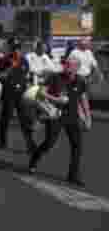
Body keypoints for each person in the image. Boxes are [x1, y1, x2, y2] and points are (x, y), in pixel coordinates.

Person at [28, 57, 90, 187]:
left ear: (76, 68)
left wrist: (87, 117)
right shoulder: (55, 77)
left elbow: (83, 99)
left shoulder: (81, 81)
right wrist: (56, 99)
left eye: (70, 65)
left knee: (77, 145)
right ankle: (35, 158)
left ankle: (73, 175)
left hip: (72, 117)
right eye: (66, 65)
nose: (66, 67)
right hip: (55, 114)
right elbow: (41, 92)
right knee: (50, 142)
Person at [0, 43, 36, 154]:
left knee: (25, 120)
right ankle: (3, 142)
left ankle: (30, 144)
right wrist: (10, 68)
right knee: (5, 118)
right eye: (14, 49)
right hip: (8, 93)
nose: (17, 52)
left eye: (19, 49)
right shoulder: (4, 60)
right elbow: (0, 76)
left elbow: (27, 75)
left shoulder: (24, 61)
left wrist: (28, 86)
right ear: (11, 50)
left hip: (21, 94)